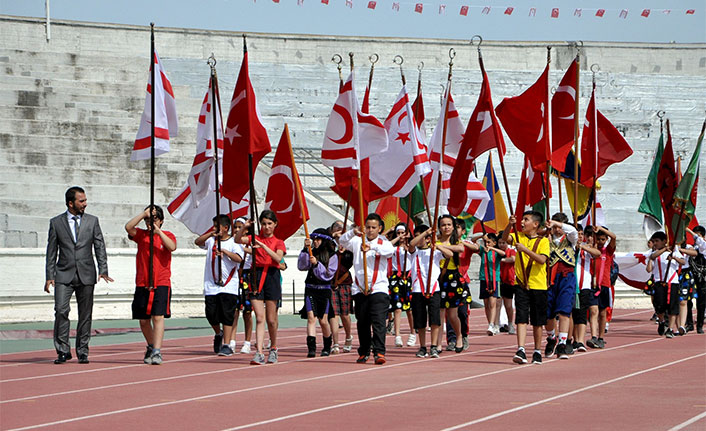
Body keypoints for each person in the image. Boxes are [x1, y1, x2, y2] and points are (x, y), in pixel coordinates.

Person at [45, 186, 113, 364]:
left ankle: (82, 351)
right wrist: (49, 275)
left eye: (85, 200)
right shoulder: (56, 222)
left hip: (87, 274)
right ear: (70, 203)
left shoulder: (92, 221)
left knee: (85, 314)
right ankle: (62, 350)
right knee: (60, 310)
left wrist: (103, 269)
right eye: (81, 201)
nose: (85, 204)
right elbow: (51, 251)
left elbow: (99, 246)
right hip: (63, 274)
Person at [339, 213, 394, 365]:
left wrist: (372, 247)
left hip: (378, 287)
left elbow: (390, 252)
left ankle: (379, 351)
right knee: (362, 322)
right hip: (360, 288)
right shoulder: (357, 241)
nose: (370, 230)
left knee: (378, 321)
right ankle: (364, 351)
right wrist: (353, 232)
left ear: (380, 228)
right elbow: (342, 241)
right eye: (368, 227)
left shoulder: (384, 242)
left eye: (373, 227)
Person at [125, 206, 176, 365]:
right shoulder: (141, 235)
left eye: (153, 219)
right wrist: (143, 214)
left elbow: (172, 247)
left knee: (157, 317)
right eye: (148, 220)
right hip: (142, 282)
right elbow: (128, 227)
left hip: (161, 282)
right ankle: (151, 344)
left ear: (160, 221)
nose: (149, 222)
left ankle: (157, 351)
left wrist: (158, 232)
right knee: (143, 320)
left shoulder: (167, 235)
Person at [237, 210, 287, 365]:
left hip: (271, 276)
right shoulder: (254, 238)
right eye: (263, 224)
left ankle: (273, 347)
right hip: (256, 276)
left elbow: (278, 258)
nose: (266, 227)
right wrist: (244, 227)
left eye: (269, 224)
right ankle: (258, 352)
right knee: (259, 317)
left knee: (271, 320)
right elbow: (237, 240)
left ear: (275, 224)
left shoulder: (279, 242)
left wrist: (262, 247)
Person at [502, 211, 550, 365]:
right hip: (521, 284)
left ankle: (537, 350)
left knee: (537, 320)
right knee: (521, 318)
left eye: (526, 220)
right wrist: (510, 224)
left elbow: (542, 260)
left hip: (538, 285)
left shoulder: (543, 241)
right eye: (522, 219)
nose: (522, 222)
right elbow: (504, 238)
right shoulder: (519, 236)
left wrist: (525, 250)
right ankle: (521, 349)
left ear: (536, 224)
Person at [195, 215, 244, 357]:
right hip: (211, 284)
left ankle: (227, 344)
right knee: (211, 314)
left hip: (228, 285)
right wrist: (211, 233)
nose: (215, 229)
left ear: (226, 228)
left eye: (217, 226)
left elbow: (239, 259)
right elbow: (197, 242)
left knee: (227, 314)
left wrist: (226, 253)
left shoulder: (234, 242)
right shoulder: (211, 241)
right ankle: (218, 333)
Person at [408, 224, 453, 358]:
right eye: (417, 236)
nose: (418, 238)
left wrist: (437, 245)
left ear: (428, 239)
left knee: (434, 320)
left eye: (420, 236)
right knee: (420, 321)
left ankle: (434, 346)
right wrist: (425, 233)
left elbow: (450, 254)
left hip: (434, 289)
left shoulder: (435, 252)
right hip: (417, 290)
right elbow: (411, 243)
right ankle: (422, 346)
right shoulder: (414, 251)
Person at [298, 228, 338, 357]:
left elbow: (328, 274)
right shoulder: (311, 252)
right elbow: (302, 266)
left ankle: (327, 345)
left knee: (323, 320)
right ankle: (311, 347)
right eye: (314, 239)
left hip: (324, 290)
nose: (315, 242)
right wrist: (305, 250)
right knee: (311, 318)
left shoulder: (332, 255)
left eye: (318, 240)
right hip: (311, 288)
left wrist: (317, 264)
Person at [543, 213, 579, 359]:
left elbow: (574, 232)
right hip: (548, 279)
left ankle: (563, 343)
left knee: (564, 310)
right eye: (555, 227)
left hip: (566, 277)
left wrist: (556, 224)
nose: (557, 230)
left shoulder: (570, 239)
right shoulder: (545, 239)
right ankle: (552, 337)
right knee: (548, 313)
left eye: (559, 227)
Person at [435, 215, 467, 353]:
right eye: (443, 225)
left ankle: (459, 336)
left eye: (449, 224)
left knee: (452, 314)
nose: (446, 227)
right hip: (438, 277)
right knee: (439, 313)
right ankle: (438, 343)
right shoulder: (435, 240)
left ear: (453, 227)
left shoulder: (456, 241)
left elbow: (460, 249)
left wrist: (441, 246)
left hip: (453, 278)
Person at [646, 231, 685, 338]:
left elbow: (683, 262)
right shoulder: (653, 254)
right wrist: (663, 250)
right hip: (659, 283)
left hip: (672, 282)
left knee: (672, 307)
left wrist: (673, 257)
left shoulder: (674, 252)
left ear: (664, 241)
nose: (655, 243)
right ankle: (662, 321)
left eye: (657, 241)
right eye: (653, 241)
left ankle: (670, 329)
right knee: (659, 306)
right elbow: (649, 269)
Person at [572, 226, 601, 352]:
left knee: (582, 313)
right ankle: (572, 339)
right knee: (572, 313)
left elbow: (597, 254)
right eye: (577, 234)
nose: (579, 236)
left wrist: (583, 247)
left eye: (581, 234)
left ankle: (580, 340)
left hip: (584, 285)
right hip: (571, 284)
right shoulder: (569, 246)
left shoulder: (587, 248)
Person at [388, 223, 415, 348]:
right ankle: (397, 335)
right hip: (395, 278)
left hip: (408, 278)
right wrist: (396, 238)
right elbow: (386, 245)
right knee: (397, 308)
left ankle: (413, 333)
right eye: (398, 233)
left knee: (409, 309)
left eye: (402, 233)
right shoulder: (392, 247)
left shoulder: (411, 247)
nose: (401, 236)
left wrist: (408, 245)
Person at [329, 221, 355, 354]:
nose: (339, 229)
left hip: (344, 282)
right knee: (333, 313)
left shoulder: (349, 245)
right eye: (336, 227)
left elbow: (350, 261)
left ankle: (348, 336)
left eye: (341, 227)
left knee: (345, 314)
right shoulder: (329, 244)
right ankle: (335, 342)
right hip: (331, 282)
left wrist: (345, 248)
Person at [592, 225, 617, 347]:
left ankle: (600, 337)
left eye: (603, 239)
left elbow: (614, 237)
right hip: (592, 285)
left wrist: (601, 228)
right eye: (598, 239)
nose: (600, 242)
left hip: (605, 285)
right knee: (593, 311)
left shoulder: (608, 251)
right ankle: (592, 336)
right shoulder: (591, 250)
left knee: (602, 312)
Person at [233, 217, 254, 354]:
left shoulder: (251, 242)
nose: (237, 230)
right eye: (235, 227)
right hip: (234, 276)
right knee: (233, 311)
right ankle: (231, 340)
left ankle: (247, 341)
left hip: (247, 276)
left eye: (240, 227)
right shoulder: (232, 241)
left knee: (247, 312)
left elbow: (258, 252)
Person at [477, 233, 505, 336]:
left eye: (489, 242)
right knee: (486, 304)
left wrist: (493, 249)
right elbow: (473, 242)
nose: (487, 244)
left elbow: (503, 253)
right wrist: (481, 236)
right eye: (486, 242)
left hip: (494, 280)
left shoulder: (495, 252)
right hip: (484, 279)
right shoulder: (483, 251)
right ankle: (490, 323)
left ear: (494, 243)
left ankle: (492, 324)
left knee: (493, 303)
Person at [686, 226, 706, 333]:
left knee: (701, 303)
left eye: (698, 236)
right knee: (687, 301)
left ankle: (699, 325)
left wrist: (688, 230)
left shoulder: (704, 247)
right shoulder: (690, 247)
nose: (696, 239)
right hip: (690, 278)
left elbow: (701, 244)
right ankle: (689, 323)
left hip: (702, 279)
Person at [498, 236, 516, 335]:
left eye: (503, 243)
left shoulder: (511, 251)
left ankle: (510, 323)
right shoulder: (496, 252)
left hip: (509, 281)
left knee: (508, 305)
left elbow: (513, 259)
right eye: (500, 243)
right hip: (499, 280)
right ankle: (496, 324)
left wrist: (502, 260)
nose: (501, 245)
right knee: (497, 304)